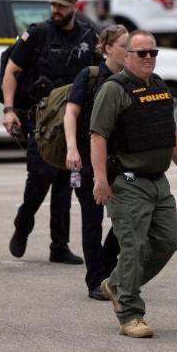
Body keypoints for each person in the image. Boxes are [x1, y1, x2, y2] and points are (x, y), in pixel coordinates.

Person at [90, 30, 177, 338]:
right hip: (127, 182)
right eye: (142, 53)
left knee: (168, 241)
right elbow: (97, 136)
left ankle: (117, 284)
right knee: (134, 247)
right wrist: (100, 179)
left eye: (153, 52)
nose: (149, 57)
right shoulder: (114, 89)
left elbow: (171, 134)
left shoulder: (160, 87)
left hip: (158, 182)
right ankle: (130, 314)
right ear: (127, 56)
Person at [2, 0, 98, 264]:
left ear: (74, 8)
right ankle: (24, 221)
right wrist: (9, 109)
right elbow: (12, 71)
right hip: (42, 119)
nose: (55, 10)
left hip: (75, 119)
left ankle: (59, 246)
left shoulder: (88, 35)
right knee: (40, 178)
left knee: (67, 182)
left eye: (62, 6)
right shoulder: (38, 33)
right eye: (53, 5)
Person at [64, 25, 127, 300]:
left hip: (121, 161)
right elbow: (71, 113)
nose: (130, 51)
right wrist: (72, 149)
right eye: (124, 45)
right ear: (107, 48)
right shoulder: (89, 76)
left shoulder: (130, 78)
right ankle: (95, 280)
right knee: (93, 220)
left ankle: (106, 265)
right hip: (89, 160)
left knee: (126, 216)